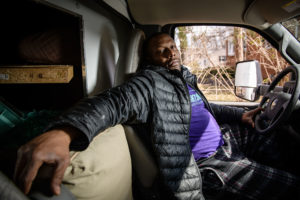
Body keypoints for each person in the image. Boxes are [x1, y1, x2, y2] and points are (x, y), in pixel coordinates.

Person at [14, 32, 299, 200]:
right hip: (206, 163)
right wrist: (64, 132)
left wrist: (241, 115)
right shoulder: (149, 83)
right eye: (161, 52)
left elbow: (206, 107)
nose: (170, 53)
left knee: (280, 137)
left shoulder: (184, 78)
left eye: (172, 47)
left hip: (227, 138)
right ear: (151, 60)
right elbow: (114, 102)